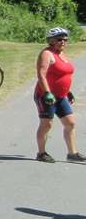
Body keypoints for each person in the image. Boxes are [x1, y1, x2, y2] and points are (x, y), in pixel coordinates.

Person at [33, 27, 85, 162]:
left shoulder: (62, 54)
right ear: (51, 40)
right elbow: (41, 75)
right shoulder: (47, 54)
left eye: (65, 39)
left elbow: (63, 75)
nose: (63, 42)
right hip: (46, 96)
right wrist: (47, 93)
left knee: (70, 123)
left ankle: (72, 154)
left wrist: (68, 92)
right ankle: (41, 153)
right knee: (47, 124)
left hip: (61, 96)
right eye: (59, 39)